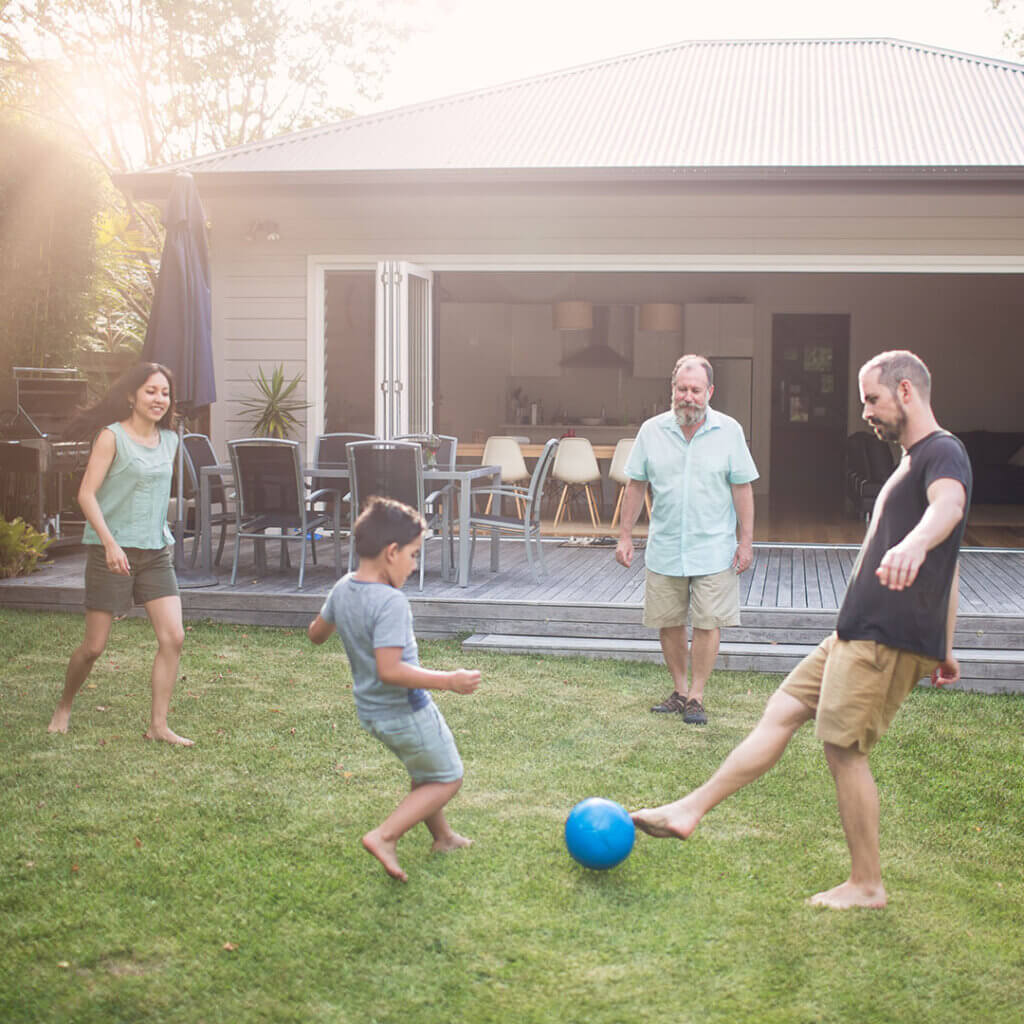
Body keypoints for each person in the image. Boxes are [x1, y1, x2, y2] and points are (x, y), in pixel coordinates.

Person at [632, 350, 971, 909]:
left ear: (906, 391)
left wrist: (912, 544)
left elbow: (949, 510)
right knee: (783, 708)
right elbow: (953, 561)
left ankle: (866, 884)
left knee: (843, 747)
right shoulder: (910, 462)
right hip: (855, 630)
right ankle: (689, 810)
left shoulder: (943, 453)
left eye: (872, 399)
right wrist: (948, 643)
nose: (865, 411)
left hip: (885, 635)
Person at [307, 496, 481, 882]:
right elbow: (390, 670)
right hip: (406, 711)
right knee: (448, 777)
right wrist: (449, 681)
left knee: (425, 769)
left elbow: (316, 634)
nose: (415, 564)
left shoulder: (343, 588)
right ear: (391, 552)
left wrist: (345, 617)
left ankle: (444, 836)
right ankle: (385, 836)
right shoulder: (391, 602)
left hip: (371, 713)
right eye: (414, 554)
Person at [48, 362, 191, 746]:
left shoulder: (172, 441)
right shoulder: (111, 437)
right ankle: (64, 704)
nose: (159, 399)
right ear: (131, 395)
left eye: (164, 392)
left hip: (155, 551)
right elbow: (86, 494)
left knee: (173, 637)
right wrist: (110, 542)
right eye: (150, 391)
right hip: (110, 550)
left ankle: (158, 726)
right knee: (94, 647)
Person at [616, 354, 758, 724]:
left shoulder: (729, 431)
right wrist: (625, 536)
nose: (688, 397)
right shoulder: (651, 431)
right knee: (670, 621)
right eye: (682, 389)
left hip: (714, 548)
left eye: (696, 390)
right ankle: (679, 690)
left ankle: (697, 694)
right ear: (672, 389)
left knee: (709, 622)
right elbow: (635, 485)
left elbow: (742, 489)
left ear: (710, 392)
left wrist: (746, 541)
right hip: (665, 545)